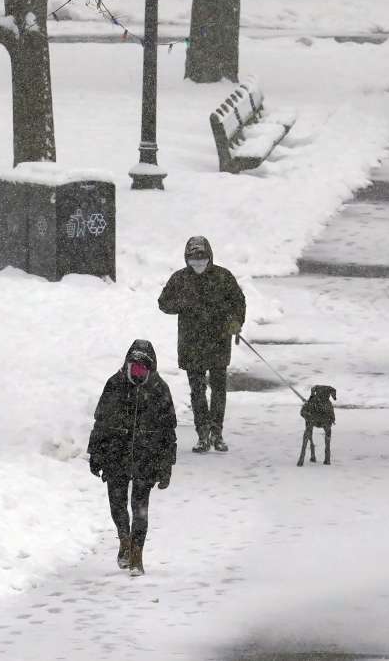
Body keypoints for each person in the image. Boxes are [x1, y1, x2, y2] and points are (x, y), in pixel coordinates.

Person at [87, 339, 177, 575]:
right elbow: (101, 422)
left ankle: (136, 553)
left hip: (146, 458)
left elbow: (169, 432)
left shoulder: (159, 390)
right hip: (115, 455)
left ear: (151, 369)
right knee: (117, 505)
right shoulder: (114, 384)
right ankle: (124, 539)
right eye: (133, 367)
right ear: (126, 365)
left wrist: (166, 465)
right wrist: (96, 453)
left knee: (140, 508)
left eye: (142, 368)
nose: (137, 372)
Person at [158, 236, 246, 454]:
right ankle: (202, 434)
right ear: (186, 258)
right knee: (197, 390)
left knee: (218, 390)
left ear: (210, 257)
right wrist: (184, 304)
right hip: (191, 343)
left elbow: (238, 301)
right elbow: (163, 303)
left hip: (218, 341)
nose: (198, 263)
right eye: (193, 259)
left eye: (202, 259)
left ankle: (217, 432)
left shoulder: (223, 277)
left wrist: (235, 321)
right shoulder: (179, 279)